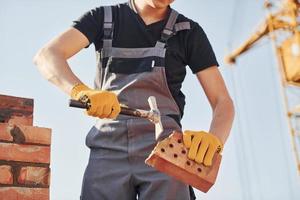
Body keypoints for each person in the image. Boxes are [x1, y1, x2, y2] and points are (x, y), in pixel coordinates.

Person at [33, 0, 235, 199]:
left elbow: (222, 101)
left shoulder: (188, 32)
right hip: (107, 148)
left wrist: (215, 139)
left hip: (166, 151)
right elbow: (47, 55)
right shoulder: (104, 18)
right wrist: (81, 91)